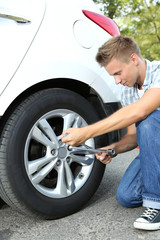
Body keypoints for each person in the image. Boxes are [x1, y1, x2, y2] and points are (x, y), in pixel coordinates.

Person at [61, 35, 160, 231]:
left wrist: (86, 133)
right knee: (127, 196)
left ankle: (155, 207)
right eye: (112, 76)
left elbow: (139, 112)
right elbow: (133, 136)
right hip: (153, 153)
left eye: (118, 73)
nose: (116, 81)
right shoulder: (127, 91)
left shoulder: (159, 72)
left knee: (148, 121)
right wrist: (113, 148)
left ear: (133, 59)